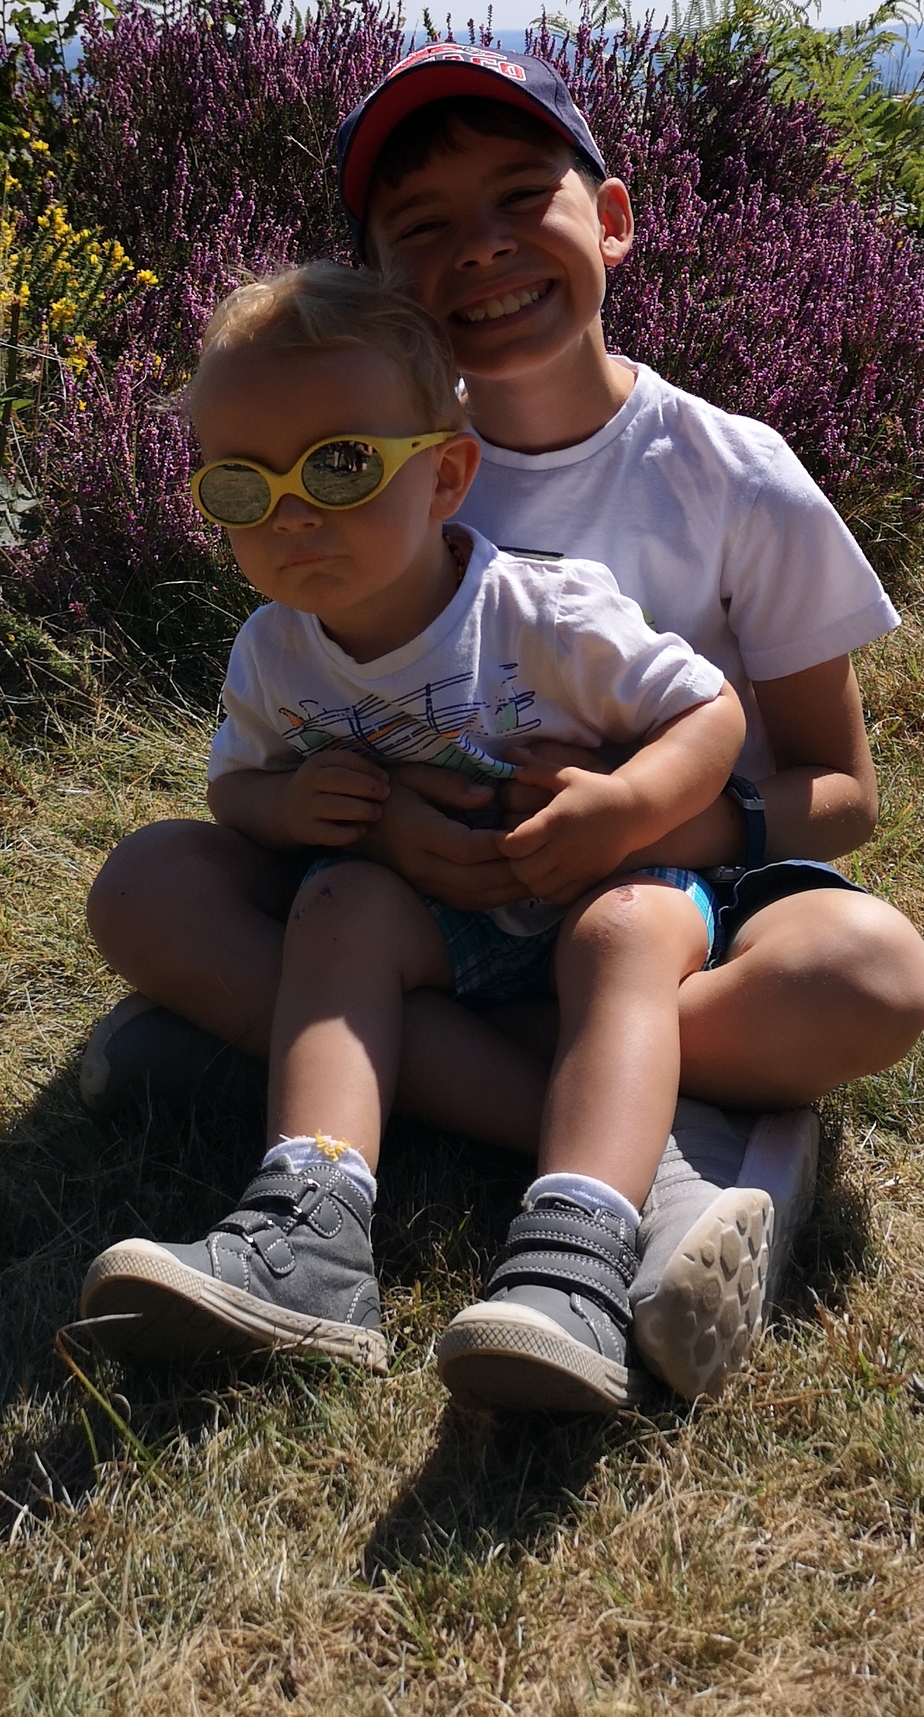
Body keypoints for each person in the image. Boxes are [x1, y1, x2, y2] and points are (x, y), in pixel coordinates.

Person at [83, 44, 924, 1398]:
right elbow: (285, 742)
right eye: (423, 225)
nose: (479, 247)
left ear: (612, 219)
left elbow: (842, 793)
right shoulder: (358, 464)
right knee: (144, 887)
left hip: (668, 918)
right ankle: (661, 1155)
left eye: (521, 198)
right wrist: (376, 828)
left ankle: (308, 1061)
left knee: (870, 975)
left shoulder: (736, 477)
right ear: (381, 283)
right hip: (423, 919)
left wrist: (633, 822)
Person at [79, 263, 751, 1412]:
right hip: (439, 931)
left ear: (445, 474)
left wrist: (626, 806)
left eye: (339, 466)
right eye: (242, 486)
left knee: (627, 932)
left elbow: (712, 713)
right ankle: (312, 1229)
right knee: (338, 901)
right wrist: (288, 808)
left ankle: (579, 1251)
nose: (292, 515)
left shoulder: (544, 611)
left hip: (605, 888)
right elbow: (238, 786)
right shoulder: (275, 650)